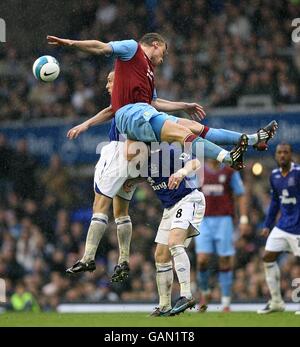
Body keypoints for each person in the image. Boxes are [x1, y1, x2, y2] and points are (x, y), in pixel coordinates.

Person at [47, 33, 278, 171]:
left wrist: (184, 106)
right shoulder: (132, 48)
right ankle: (228, 157)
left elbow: (155, 104)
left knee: (195, 127)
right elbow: (101, 47)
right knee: (180, 132)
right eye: (163, 53)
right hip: (133, 115)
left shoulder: (149, 74)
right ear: (155, 44)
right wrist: (71, 43)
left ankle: (255, 139)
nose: (162, 58)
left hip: (143, 113)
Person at [65, 70, 207, 279]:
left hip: (118, 151)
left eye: (110, 81)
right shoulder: (144, 102)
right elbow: (158, 103)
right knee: (121, 211)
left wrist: (85, 124)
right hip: (138, 158)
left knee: (100, 204)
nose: (107, 86)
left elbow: (109, 111)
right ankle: (123, 259)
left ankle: (88, 257)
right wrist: (184, 106)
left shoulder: (124, 100)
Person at [123, 144, 205, 316]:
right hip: (170, 207)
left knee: (175, 243)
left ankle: (187, 295)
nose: (130, 157)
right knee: (160, 255)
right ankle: (164, 306)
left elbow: (195, 162)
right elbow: (148, 175)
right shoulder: (141, 164)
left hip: (188, 198)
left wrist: (180, 172)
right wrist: (133, 181)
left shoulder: (165, 151)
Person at [195, 159, 248, 312]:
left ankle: (225, 302)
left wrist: (244, 218)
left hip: (224, 219)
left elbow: (241, 194)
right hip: (203, 220)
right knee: (202, 259)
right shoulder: (199, 171)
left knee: (225, 259)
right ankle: (205, 293)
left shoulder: (230, 171)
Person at [257, 143, 300, 315]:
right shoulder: (274, 175)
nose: (282, 155)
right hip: (282, 226)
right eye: (279, 152)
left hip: (298, 227)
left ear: (291, 155)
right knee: (267, 256)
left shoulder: (298, 173)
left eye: (286, 152)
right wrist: (267, 225)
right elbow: (275, 202)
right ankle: (276, 301)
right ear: (275, 155)